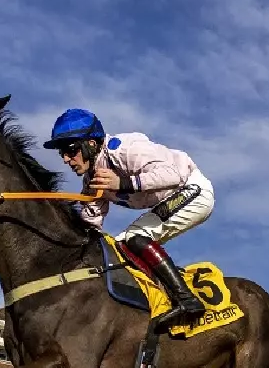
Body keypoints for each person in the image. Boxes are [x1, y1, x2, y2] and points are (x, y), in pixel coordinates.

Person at [43, 107, 214, 328]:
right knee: (117, 246)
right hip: (172, 199)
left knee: (135, 236)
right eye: (62, 153)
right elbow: (90, 225)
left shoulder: (123, 149)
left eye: (70, 150)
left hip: (192, 189)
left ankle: (187, 300)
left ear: (91, 143)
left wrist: (122, 183)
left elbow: (174, 174)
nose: (66, 159)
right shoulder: (92, 180)